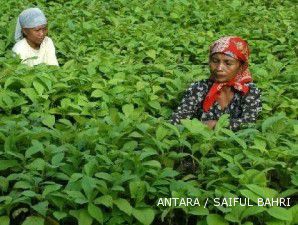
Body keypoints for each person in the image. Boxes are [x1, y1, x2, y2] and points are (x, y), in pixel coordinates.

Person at [171, 36, 262, 131]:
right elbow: (177, 120)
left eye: (228, 63)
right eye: (215, 61)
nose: (219, 68)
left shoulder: (249, 91)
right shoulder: (199, 88)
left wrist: (214, 125)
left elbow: (249, 123)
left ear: (241, 66)